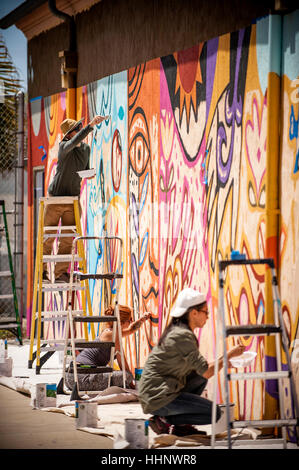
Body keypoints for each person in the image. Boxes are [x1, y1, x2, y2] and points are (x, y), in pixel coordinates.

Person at [138, 287, 245, 436]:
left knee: (199, 378)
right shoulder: (182, 336)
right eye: (205, 312)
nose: (207, 317)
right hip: (158, 396)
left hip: (156, 392)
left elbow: (202, 371)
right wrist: (229, 355)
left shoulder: (178, 331)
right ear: (194, 313)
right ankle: (164, 420)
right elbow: (207, 370)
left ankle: (178, 425)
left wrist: (224, 361)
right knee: (214, 412)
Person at [43, 115, 105, 283]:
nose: (80, 131)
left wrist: (89, 174)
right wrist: (90, 125)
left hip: (72, 199)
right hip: (56, 198)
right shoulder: (64, 146)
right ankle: (42, 272)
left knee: (67, 238)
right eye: (77, 129)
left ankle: (60, 273)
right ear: (69, 134)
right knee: (48, 236)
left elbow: (85, 169)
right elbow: (72, 143)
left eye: (80, 128)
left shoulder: (85, 149)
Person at [65, 305, 151, 391]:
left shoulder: (109, 332)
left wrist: (142, 319)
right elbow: (123, 364)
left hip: (71, 376)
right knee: (127, 376)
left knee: (121, 375)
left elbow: (131, 330)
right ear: (121, 322)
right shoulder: (113, 335)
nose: (131, 321)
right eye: (130, 319)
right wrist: (131, 384)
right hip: (80, 379)